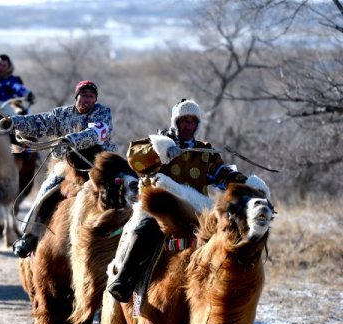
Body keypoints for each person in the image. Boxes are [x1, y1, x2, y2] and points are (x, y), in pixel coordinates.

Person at [106, 99, 251, 303]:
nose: (188, 126)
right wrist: (162, 152)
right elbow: (135, 160)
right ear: (175, 122)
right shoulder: (159, 141)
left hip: (195, 211)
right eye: (184, 121)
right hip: (160, 208)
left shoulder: (204, 151)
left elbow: (220, 175)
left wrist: (244, 182)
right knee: (144, 229)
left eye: (193, 122)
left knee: (226, 238)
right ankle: (124, 279)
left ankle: (230, 294)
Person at [0, 80, 115, 258]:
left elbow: (97, 133)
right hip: (66, 165)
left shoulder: (102, 113)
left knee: (124, 190)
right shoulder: (61, 114)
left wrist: (73, 139)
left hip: (97, 164)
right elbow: (39, 122)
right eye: (84, 95)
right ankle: (29, 235)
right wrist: (13, 122)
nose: (87, 100)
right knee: (46, 191)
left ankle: (126, 236)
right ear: (77, 97)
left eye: (91, 96)